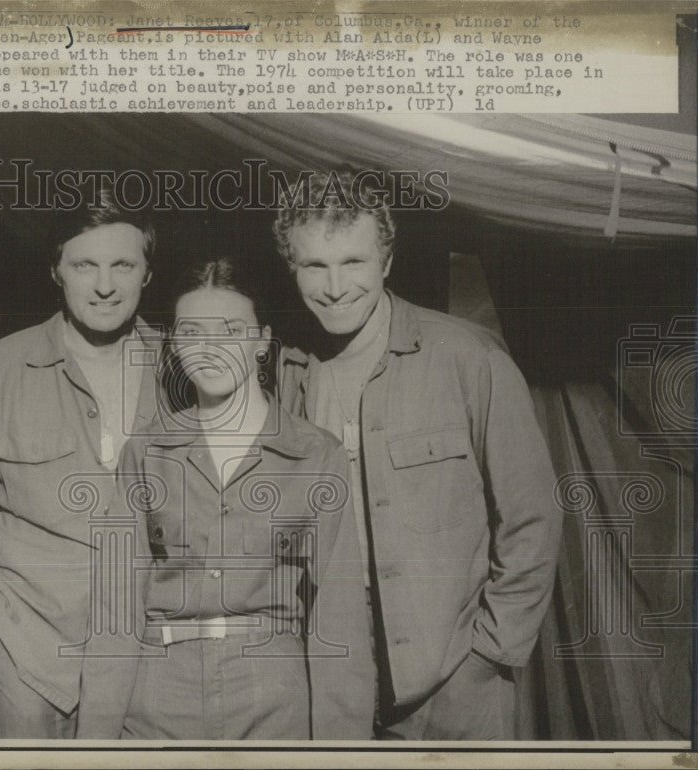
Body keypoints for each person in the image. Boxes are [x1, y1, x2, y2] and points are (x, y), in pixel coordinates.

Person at [273, 167, 563, 740]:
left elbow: (533, 518)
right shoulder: (285, 371)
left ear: (386, 261)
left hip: (457, 675)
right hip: (335, 676)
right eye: (315, 266)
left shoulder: (467, 357)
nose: (334, 287)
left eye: (353, 262)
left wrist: (490, 655)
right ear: (292, 268)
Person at [76, 255, 375, 740]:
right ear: (173, 345)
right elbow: (116, 608)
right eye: (192, 333)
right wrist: (95, 744)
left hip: (274, 697)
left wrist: (342, 750)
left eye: (231, 330)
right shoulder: (146, 453)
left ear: (262, 342)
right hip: (158, 697)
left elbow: (338, 618)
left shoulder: (316, 455)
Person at [0, 185, 163, 738]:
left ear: (147, 273)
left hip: (148, 665)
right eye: (84, 264)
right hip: (25, 664)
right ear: (57, 270)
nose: (104, 285)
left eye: (123, 264)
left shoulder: (182, 373)